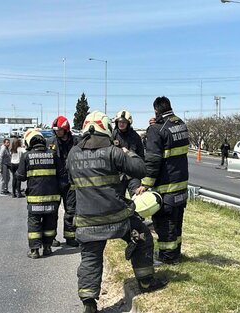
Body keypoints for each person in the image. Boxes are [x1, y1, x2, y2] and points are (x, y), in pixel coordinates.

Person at [67, 111, 167, 313]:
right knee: (143, 237)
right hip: (117, 218)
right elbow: (140, 168)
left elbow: (71, 180)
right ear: (106, 129)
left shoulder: (73, 154)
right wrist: (125, 150)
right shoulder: (113, 151)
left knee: (90, 259)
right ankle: (146, 282)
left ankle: (89, 303)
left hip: (87, 221)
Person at [136, 96, 189, 264]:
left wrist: (145, 183)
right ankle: (176, 254)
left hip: (166, 187)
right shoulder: (180, 124)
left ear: (156, 110)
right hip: (181, 186)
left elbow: (153, 160)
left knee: (165, 225)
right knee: (177, 222)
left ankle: (168, 257)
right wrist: (158, 122)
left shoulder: (156, 130)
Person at [16, 129, 61, 258]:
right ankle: (47, 248)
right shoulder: (53, 155)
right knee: (50, 223)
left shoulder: (27, 156)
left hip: (35, 199)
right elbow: (62, 175)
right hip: (52, 198)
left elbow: (20, 176)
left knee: (34, 222)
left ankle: (34, 250)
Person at [48, 116, 79, 247]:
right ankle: (51, 238)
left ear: (66, 129)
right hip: (55, 182)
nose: (57, 132)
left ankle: (70, 237)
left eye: (60, 130)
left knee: (71, 210)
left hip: (71, 181)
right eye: (56, 130)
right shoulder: (50, 142)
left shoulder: (76, 142)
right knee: (52, 211)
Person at [112, 110, 145, 196]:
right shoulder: (112, 136)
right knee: (117, 200)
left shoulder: (135, 137)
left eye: (124, 122)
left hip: (133, 173)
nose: (121, 124)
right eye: (119, 122)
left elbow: (141, 157)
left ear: (128, 123)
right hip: (117, 175)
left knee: (137, 197)